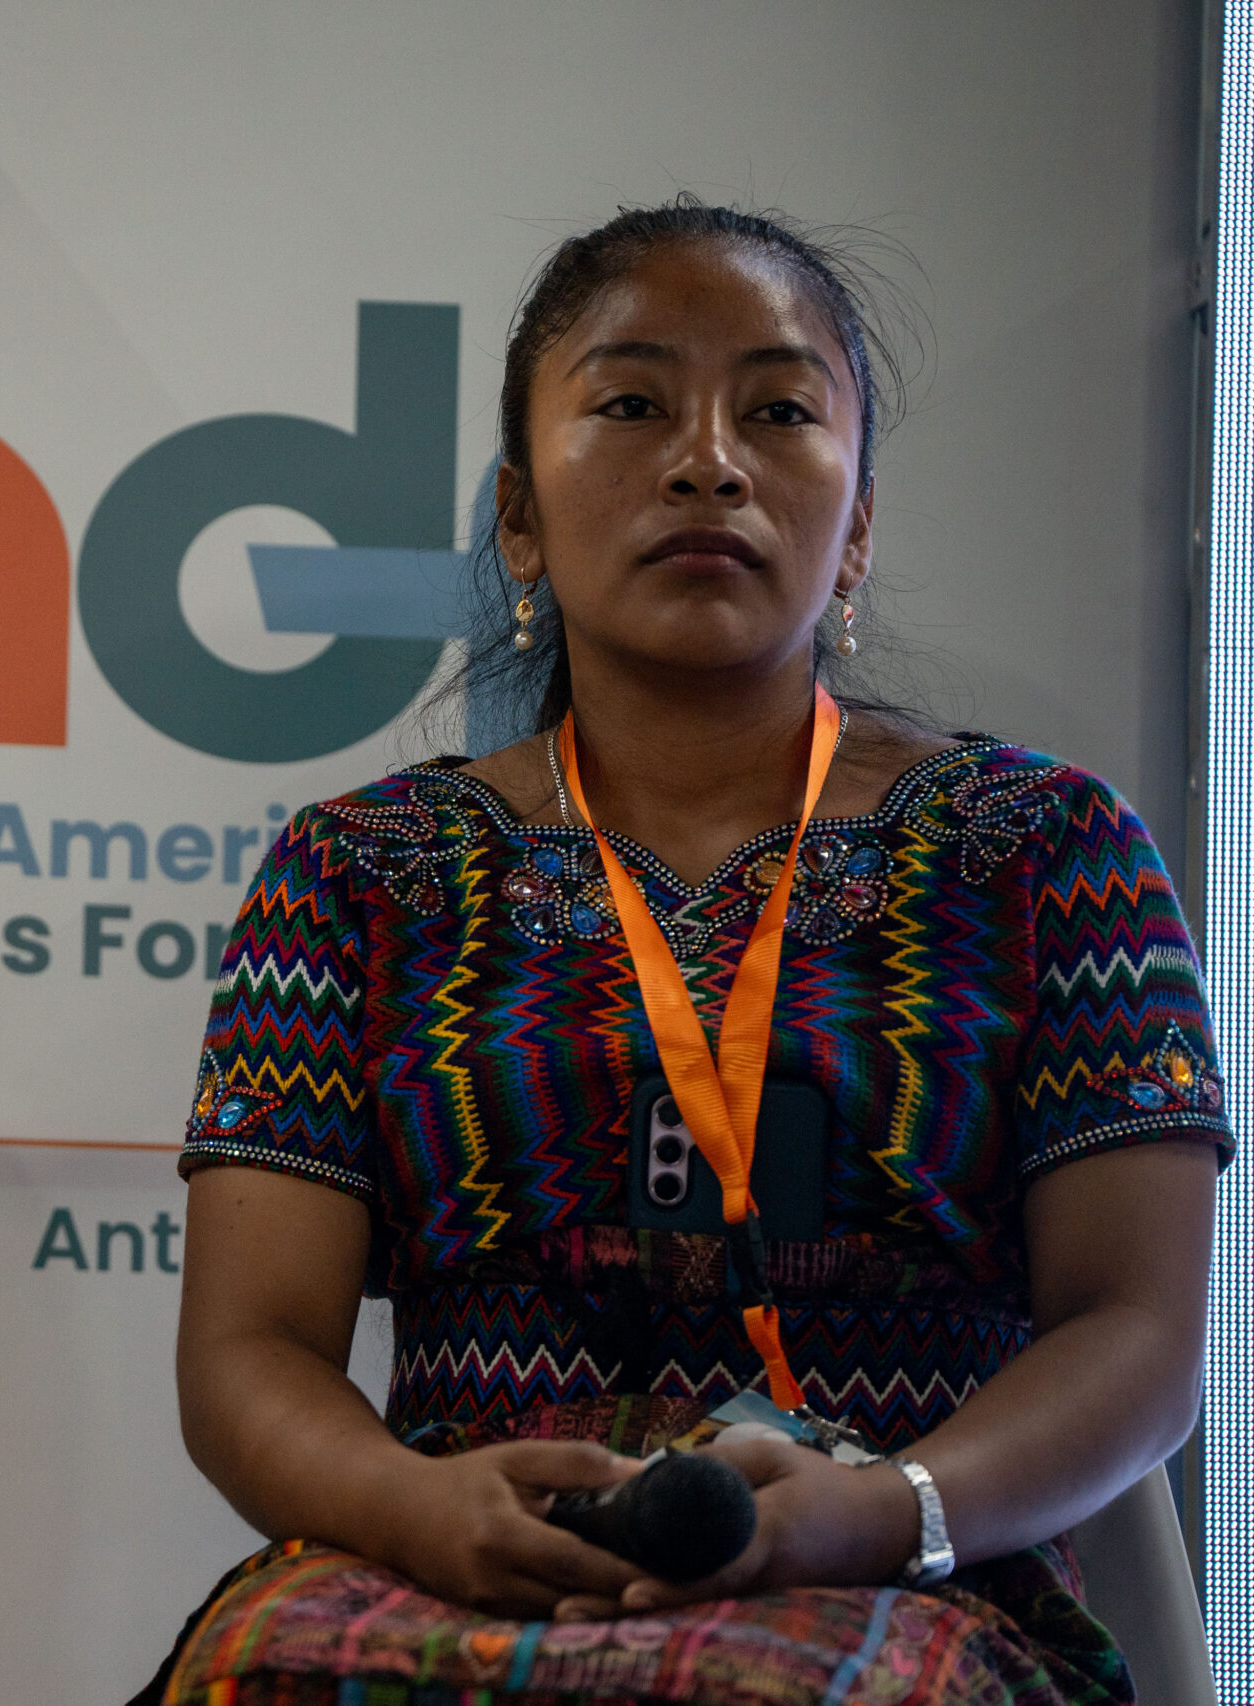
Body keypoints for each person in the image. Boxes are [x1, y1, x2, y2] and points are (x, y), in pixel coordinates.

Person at [140, 201, 1225, 1705]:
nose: (708, 457)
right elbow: (247, 1353)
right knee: (264, 1671)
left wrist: (892, 1508)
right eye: (633, 402)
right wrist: (417, 1507)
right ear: (518, 520)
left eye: (778, 410)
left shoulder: (1045, 848)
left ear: (856, 526)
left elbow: (1142, 1331)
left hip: (905, 1578)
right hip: (448, 1564)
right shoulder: (360, 874)